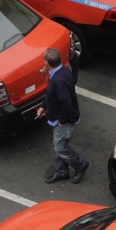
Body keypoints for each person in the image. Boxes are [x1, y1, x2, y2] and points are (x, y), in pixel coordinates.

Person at [36, 48, 89, 184]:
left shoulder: (58, 81)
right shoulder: (62, 71)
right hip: (61, 117)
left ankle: (80, 165)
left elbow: (66, 103)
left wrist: (62, 121)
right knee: (58, 144)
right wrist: (44, 106)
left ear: (47, 62)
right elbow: (51, 95)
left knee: (60, 147)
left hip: (63, 119)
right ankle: (62, 171)